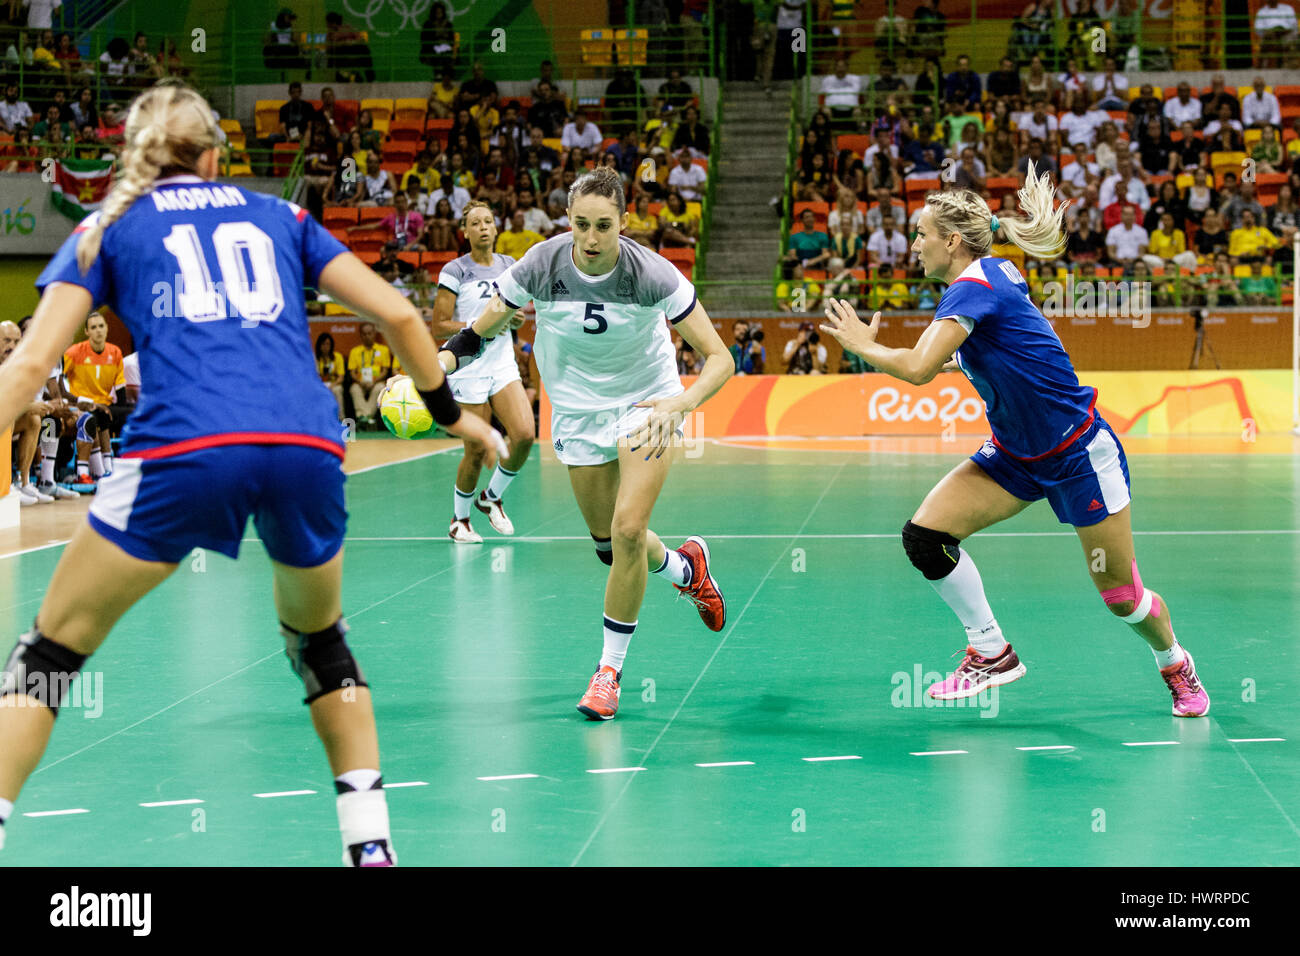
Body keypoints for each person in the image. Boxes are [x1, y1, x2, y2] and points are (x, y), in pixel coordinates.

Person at [0, 82, 503, 865]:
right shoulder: (280, 215)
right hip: (305, 446)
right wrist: (452, 416)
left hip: (183, 450)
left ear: (137, 155)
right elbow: (403, 317)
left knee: (48, 653)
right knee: (320, 643)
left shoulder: (108, 226)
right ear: (215, 156)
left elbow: (32, 361)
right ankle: (369, 846)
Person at [817, 164, 1210, 717]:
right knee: (926, 538)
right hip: (1015, 457)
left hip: (1078, 455)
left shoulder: (972, 288)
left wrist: (863, 343)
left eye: (922, 234)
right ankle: (990, 651)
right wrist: (975, 361)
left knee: (1122, 596)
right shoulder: (995, 272)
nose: (914, 244)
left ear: (951, 240)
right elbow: (1005, 339)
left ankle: (1174, 661)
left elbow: (916, 368)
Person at [452, 167, 733, 721]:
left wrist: (681, 402)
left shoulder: (653, 274)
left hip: (646, 405)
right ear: (569, 221)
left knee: (628, 530)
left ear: (623, 223)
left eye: (604, 226)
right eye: (581, 224)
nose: (591, 238)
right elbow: (482, 328)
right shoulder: (541, 263)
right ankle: (685, 568)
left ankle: (608, 675)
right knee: (610, 547)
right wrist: (441, 360)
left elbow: (721, 358)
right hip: (576, 416)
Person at [427, 201, 537, 544]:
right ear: (466, 232)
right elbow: (439, 326)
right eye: (476, 223)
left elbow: (515, 308)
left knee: (523, 435)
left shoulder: (510, 266)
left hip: (502, 361)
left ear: (496, 228)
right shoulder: (455, 270)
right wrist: (482, 324)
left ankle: (490, 498)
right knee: (474, 450)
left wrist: (514, 318)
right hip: (467, 365)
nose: (483, 227)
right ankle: (459, 521)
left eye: (489, 221)